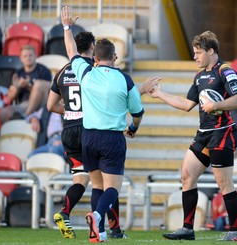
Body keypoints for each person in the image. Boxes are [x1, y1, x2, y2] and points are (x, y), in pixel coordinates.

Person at [48, 31, 158, 240]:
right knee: (113, 188)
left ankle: (99, 231)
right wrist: (133, 129)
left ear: (96, 59)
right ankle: (98, 217)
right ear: (115, 57)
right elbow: (137, 113)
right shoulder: (124, 80)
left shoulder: (86, 74)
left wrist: (66, 27)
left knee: (97, 186)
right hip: (112, 139)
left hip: (87, 138)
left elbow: (71, 52)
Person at [148, 30, 237, 241]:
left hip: (223, 133)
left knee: (224, 184)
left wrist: (216, 105)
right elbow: (186, 105)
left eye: (198, 52)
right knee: (187, 176)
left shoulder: (225, 71)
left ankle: (236, 230)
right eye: (194, 53)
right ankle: (187, 228)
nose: (195, 57)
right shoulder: (199, 76)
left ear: (211, 51)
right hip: (203, 135)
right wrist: (160, 95)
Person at [0, 45, 52, 124]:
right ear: (21, 58)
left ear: (36, 56)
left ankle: (26, 117)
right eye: (25, 56)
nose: (28, 58)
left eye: (30, 55)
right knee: (3, 113)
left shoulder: (44, 70)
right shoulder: (18, 73)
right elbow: (10, 97)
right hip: (24, 104)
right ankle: (9, 134)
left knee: (38, 84)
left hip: (42, 104)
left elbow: (47, 91)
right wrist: (17, 87)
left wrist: (28, 85)